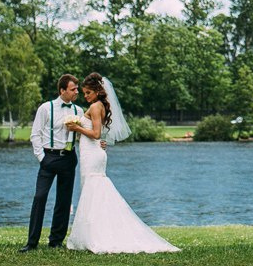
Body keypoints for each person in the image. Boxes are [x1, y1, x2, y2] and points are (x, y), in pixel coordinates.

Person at [64, 72, 179, 254]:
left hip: (93, 155)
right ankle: (94, 233)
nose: (85, 96)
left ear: (97, 91)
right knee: (93, 192)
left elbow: (96, 134)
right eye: (84, 93)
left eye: (88, 93)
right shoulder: (99, 105)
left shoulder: (95, 107)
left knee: (94, 191)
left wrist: (76, 127)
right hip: (92, 152)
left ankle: (96, 236)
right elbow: (97, 136)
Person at [21, 73, 101, 251]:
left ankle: (55, 241)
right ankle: (31, 242)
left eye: (77, 90)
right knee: (39, 197)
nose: (76, 93)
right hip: (48, 158)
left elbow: (87, 134)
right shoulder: (45, 108)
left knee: (64, 201)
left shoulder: (79, 111)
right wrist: (42, 158)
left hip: (69, 158)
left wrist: (100, 142)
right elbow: (35, 135)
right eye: (73, 90)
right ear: (62, 90)